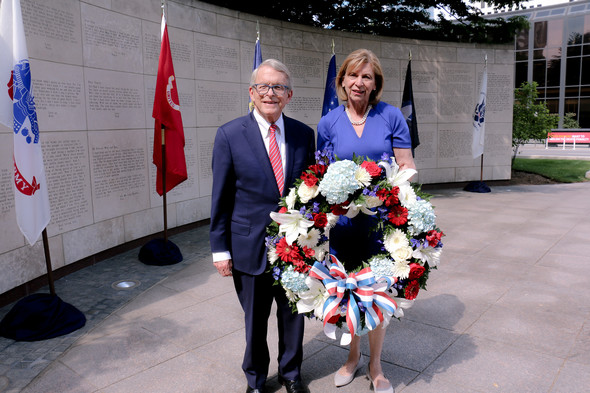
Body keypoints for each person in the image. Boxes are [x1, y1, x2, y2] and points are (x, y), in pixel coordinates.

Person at [210, 59, 315, 393]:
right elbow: (221, 197)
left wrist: (314, 240)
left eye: (279, 87)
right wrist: (220, 249)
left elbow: (309, 192)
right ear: (252, 92)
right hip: (248, 245)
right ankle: (255, 380)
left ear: (289, 95)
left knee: (293, 315)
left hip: (294, 246)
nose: (271, 93)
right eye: (264, 87)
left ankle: (291, 373)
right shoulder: (229, 135)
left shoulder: (303, 135)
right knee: (254, 321)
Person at [317, 49, 417, 393]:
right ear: (342, 80)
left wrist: (391, 197)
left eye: (367, 77)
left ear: (376, 84)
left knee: (377, 292)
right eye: (353, 76)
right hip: (344, 226)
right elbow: (322, 174)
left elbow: (407, 166)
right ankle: (351, 357)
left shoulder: (391, 116)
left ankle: (376, 365)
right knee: (348, 294)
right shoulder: (328, 122)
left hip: (382, 226)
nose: (359, 83)